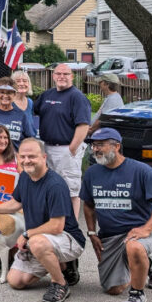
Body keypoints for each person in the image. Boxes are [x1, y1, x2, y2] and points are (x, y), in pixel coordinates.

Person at [0, 138, 86, 302]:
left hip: (67, 237)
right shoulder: (25, 176)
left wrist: (27, 234)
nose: (26, 161)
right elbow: (15, 203)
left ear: (44, 157)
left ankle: (60, 283)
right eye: (23, 156)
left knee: (37, 244)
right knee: (16, 281)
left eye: (32, 156)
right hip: (39, 238)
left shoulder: (55, 185)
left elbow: (57, 225)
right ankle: (61, 265)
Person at [80, 127, 152, 302]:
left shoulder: (141, 170)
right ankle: (147, 263)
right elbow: (88, 205)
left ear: (117, 146)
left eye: (100, 145)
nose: (95, 150)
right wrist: (91, 233)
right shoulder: (92, 173)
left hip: (139, 231)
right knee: (112, 289)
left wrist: (147, 229)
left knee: (135, 246)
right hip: (110, 236)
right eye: (93, 146)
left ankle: (138, 295)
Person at [35, 63, 93, 216]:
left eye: (66, 74)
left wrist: (71, 149)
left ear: (72, 77)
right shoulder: (47, 95)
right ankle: (52, 221)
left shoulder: (77, 97)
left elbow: (83, 126)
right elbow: (32, 111)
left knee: (71, 191)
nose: (62, 77)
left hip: (66, 149)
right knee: (50, 188)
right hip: (46, 148)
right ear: (53, 76)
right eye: (58, 74)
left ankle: (71, 228)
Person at [0, 78, 36, 149]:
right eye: (1, 92)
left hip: (13, 158)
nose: (5, 96)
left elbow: (29, 139)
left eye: (9, 92)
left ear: (15, 94)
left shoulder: (22, 116)